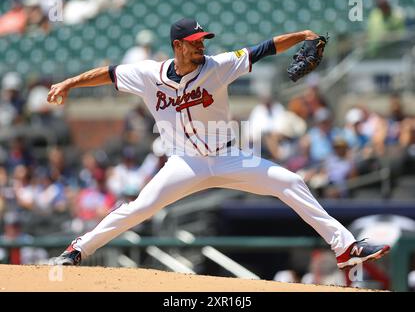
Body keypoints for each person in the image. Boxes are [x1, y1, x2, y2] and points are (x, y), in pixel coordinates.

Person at [47, 18, 390, 270]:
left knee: (291, 182)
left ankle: (345, 248)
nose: (202, 45)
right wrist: (68, 83)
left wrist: (303, 35)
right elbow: (107, 73)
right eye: (195, 41)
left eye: (203, 40)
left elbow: (266, 48)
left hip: (229, 156)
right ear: (178, 46)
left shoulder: (219, 65)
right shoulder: (148, 74)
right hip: (185, 163)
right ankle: (78, 250)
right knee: (138, 208)